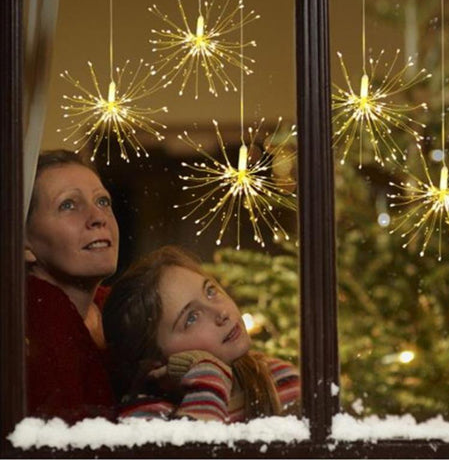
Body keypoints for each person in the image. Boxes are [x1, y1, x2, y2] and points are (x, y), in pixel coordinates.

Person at [102, 245, 300, 423]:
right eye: (191, 318)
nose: (221, 313)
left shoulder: (278, 380)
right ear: (156, 361)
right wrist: (208, 378)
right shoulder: (145, 420)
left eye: (211, 291)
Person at [25, 149, 119, 422]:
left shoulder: (117, 310)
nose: (97, 217)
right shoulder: (32, 326)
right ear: (24, 243)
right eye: (68, 205)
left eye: (103, 201)